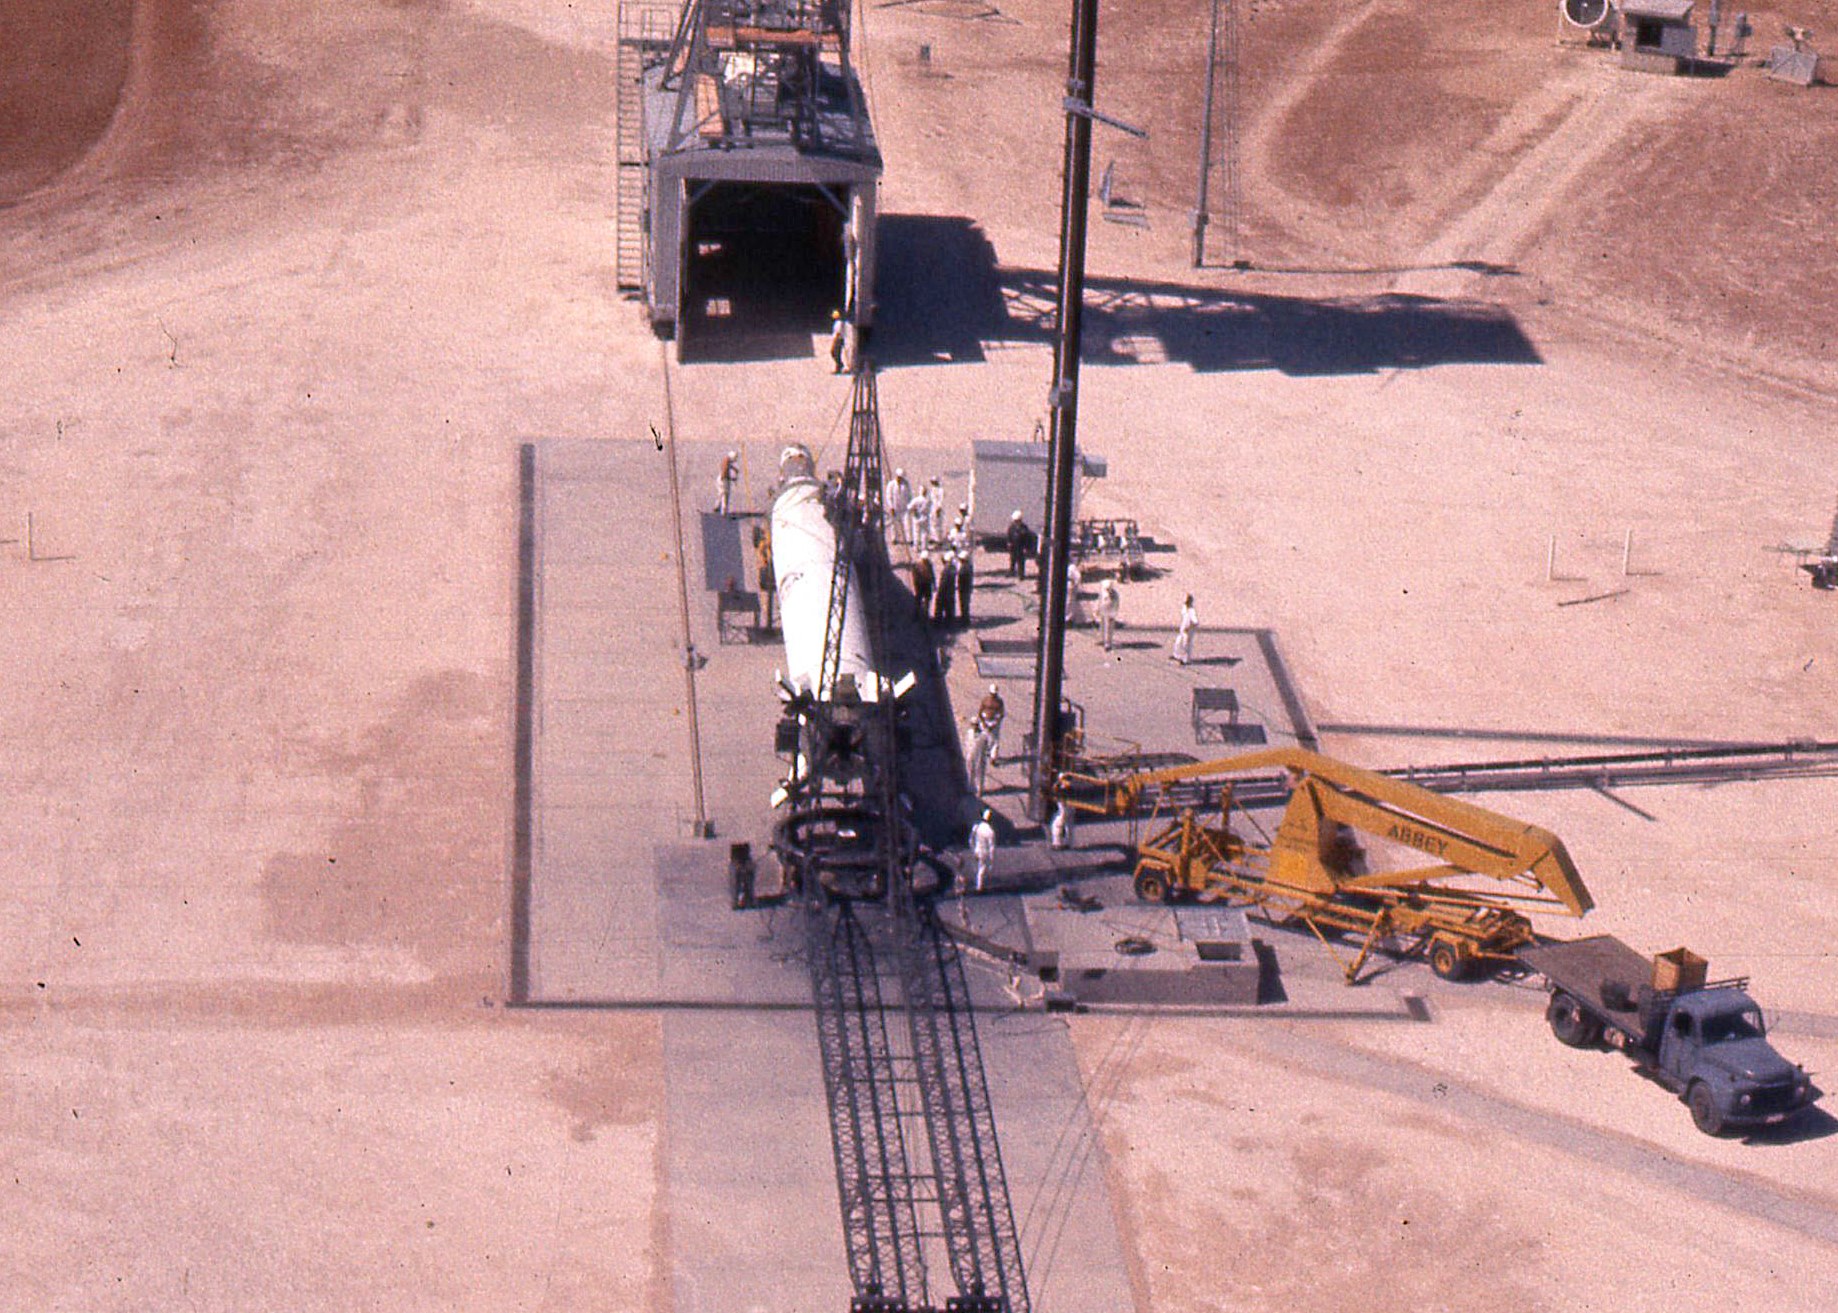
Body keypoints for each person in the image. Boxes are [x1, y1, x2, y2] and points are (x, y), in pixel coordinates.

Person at [965, 715, 996, 797]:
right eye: (972, 724)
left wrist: (987, 750)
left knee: (979, 773)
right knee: (970, 771)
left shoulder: (984, 734)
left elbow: (992, 741)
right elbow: (967, 743)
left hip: (980, 755)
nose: (974, 726)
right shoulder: (969, 732)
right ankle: (970, 788)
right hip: (970, 754)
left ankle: (980, 791)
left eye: (975, 724)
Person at [754, 525, 776, 630]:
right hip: (768, 566)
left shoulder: (764, 545)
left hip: (768, 565)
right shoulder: (764, 545)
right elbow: (763, 554)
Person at [976, 684, 1006, 760]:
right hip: (987, 721)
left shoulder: (998, 702)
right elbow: (980, 712)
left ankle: (993, 757)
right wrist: (984, 723)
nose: (993, 695)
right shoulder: (987, 700)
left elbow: (1001, 714)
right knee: (985, 739)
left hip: (993, 722)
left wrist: (995, 723)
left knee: (994, 740)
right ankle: (985, 753)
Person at [971, 809, 997, 893]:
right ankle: (979, 887)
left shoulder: (977, 827)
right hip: (984, 851)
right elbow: (991, 846)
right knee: (982, 868)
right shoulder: (990, 832)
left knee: (978, 867)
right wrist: (992, 859)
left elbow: (971, 839)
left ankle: (978, 884)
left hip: (977, 849)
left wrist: (973, 848)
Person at [1004, 510, 1035, 579]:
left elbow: (1027, 539)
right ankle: (1011, 571)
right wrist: (1009, 543)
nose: (1016, 522)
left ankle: (1021, 574)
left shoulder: (1024, 528)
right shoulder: (1011, 527)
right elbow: (1009, 535)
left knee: (1021, 561)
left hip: (1021, 547)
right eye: (1015, 521)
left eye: (1018, 520)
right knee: (1012, 559)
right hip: (1014, 546)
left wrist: (1027, 548)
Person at [885, 468, 912, 544]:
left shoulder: (906, 484)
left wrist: (909, 506)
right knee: (894, 524)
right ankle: (894, 538)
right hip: (895, 507)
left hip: (904, 507)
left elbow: (909, 495)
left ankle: (909, 539)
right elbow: (889, 496)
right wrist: (891, 507)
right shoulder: (891, 484)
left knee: (907, 523)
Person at [1172, 593, 1198, 665]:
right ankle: (1176, 655)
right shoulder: (1184, 608)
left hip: (1188, 631)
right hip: (1183, 629)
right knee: (1178, 642)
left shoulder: (1192, 611)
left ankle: (1186, 660)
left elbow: (1195, 622)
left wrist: (1189, 627)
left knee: (1186, 645)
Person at [1098, 577, 1121, 651]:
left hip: (1110, 612)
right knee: (1102, 625)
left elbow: (1116, 605)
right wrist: (1098, 610)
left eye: (1108, 589)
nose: (1107, 590)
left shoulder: (1115, 595)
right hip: (1103, 610)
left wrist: (1114, 614)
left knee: (1109, 627)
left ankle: (1108, 644)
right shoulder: (1103, 592)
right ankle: (1102, 639)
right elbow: (1100, 601)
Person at [935, 551, 958, 624]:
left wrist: (940, 591)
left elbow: (943, 582)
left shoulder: (946, 570)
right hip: (951, 591)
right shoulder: (953, 567)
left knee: (939, 605)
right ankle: (949, 621)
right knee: (950, 607)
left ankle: (938, 622)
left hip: (944, 590)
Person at [905, 482, 930, 549]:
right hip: (925, 518)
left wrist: (913, 511)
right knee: (924, 533)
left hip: (916, 517)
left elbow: (909, 507)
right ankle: (924, 547)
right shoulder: (928, 501)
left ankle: (916, 547)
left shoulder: (916, 500)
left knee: (916, 532)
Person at [912, 552, 935, 621]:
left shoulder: (918, 565)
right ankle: (919, 615)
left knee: (923, 600)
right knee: (922, 601)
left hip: (923, 585)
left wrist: (934, 584)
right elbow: (915, 576)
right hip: (923, 585)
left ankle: (920, 615)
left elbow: (932, 575)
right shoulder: (921, 565)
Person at [715, 450, 739, 516]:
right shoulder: (726, 463)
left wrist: (734, 469)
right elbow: (725, 474)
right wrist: (732, 479)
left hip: (720, 479)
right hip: (724, 480)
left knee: (720, 493)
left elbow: (728, 466)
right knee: (725, 494)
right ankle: (724, 511)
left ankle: (716, 506)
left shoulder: (726, 460)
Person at [955, 546, 974, 624]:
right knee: (965, 604)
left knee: (964, 604)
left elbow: (961, 577)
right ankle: (965, 618)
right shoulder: (969, 566)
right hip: (967, 588)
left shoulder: (964, 568)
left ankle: (965, 620)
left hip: (964, 588)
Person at [927, 477, 946, 548]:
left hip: (937, 509)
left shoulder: (941, 490)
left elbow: (941, 500)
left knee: (938, 525)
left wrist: (938, 508)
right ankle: (933, 537)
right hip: (932, 508)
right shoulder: (932, 489)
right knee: (932, 523)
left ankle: (939, 540)